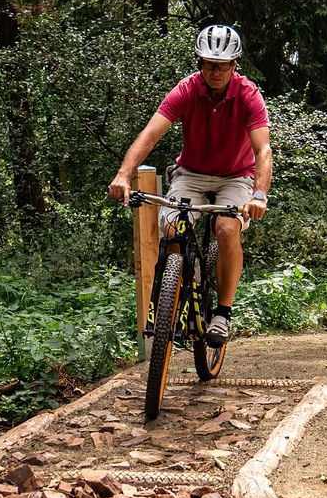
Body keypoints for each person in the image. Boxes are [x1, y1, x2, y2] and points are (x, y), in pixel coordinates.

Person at [109, 24, 272, 345]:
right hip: (191, 173)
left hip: (236, 176)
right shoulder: (186, 89)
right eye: (209, 64)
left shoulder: (248, 94)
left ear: (234, 66)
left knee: (227, 229)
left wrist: (259, 194)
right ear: (199, 63)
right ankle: (187, 280)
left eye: (222, 66)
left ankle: (223, 313)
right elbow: (150, 134)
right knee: (172, 231)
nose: (215, 71)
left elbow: (262, 150)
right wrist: (124, 174)